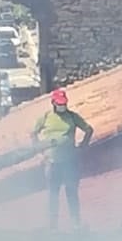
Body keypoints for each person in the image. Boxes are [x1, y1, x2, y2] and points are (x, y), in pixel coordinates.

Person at [33, 88, 93, 229]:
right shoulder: (46, 117)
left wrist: (84, 145)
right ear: (53, 103)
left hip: (70, 162)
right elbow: (33, 133)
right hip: (52, 163)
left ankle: (75, 223)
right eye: (59, 103)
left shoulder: (72, 117)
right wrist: (38, 151)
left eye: (64, 103)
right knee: (53, 195)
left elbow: (89, 129)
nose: (62, 106)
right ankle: (52, 225)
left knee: (71, 192)